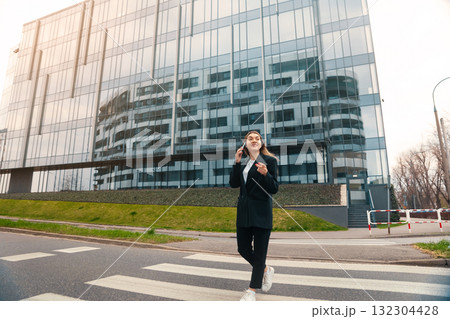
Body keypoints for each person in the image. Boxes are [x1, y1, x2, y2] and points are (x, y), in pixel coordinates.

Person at [229, 130, 279, 301]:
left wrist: (266, 175)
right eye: (250, 138)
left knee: (259, 253)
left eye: (257, 138)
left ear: (261, 142)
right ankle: (266, 270)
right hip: (243, 212)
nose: (254, 140)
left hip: (261, 213)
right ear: (245, 143)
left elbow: (274, 188)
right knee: (242, 249)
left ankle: (251, 291)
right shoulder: (242, 162)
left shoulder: (270, 161)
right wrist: (236, 162)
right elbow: (234, 184)